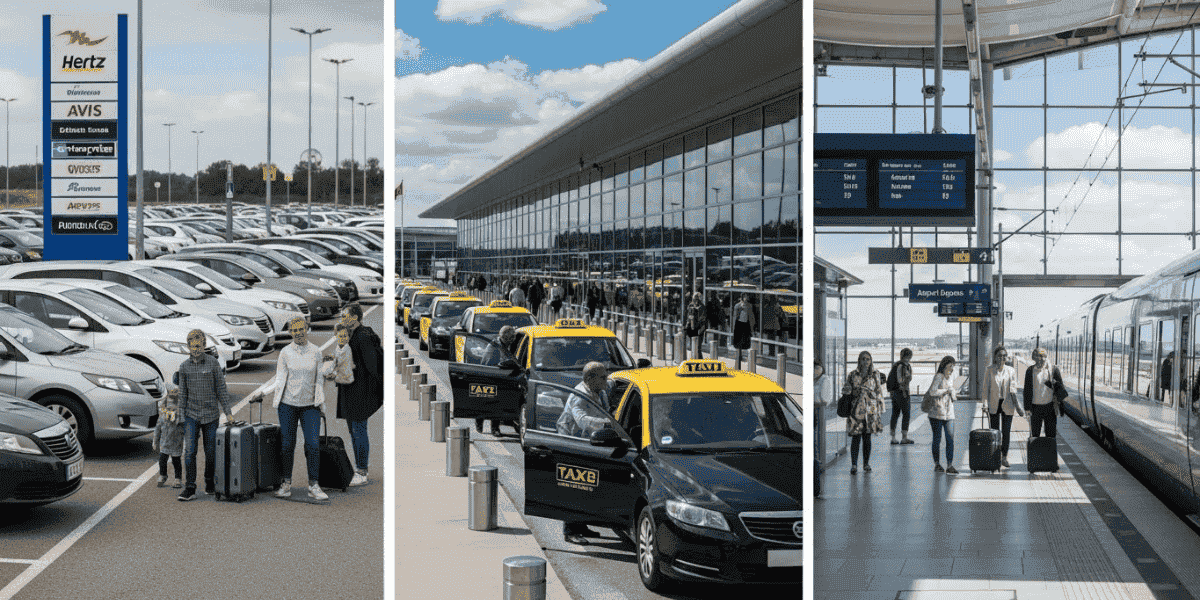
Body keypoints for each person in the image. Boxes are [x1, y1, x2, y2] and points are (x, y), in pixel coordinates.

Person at [556, 362, 613, 545]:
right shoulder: (579, 395)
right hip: (572, 444)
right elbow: (582, 421)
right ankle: (570, 530)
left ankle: (581, 526)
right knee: (574, 488)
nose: (607, 380)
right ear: (589, 378)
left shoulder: (600, 391)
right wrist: (606, 423)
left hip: (587, 443)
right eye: (603, 377)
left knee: (586, 487)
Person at [273, 317, 329, 501]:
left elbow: (319, 380)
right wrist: (267, 395)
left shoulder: (316, 352)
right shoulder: (285, 353)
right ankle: (286, 483)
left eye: (301, 329)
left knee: (313, 445)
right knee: (287, 445)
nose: (298, 333)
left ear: (307, 329)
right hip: (288, 405)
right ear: (290, 332)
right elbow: (279, 380)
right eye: (294, 330)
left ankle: (314, 484)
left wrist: (320, 404)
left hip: (309, 407)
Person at [176, 329, 235, 501]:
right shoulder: (184, 367)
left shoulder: (212, 364)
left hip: (210, 416)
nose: (195, 349)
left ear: (204, 345)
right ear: (188, 347)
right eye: (192, 346)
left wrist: (228, 413)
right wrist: (180, 416)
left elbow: (221, 390)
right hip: (191, 415)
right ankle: (190, 487)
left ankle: (209, 481)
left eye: (199, 346)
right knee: (189, 452)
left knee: (211, 453)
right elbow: (182, 394)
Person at [337, 304, 382, 487]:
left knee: (358, 430)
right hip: (351, 389)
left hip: (360, 391)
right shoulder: (352, 335)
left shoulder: (363, 337)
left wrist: (376, 390)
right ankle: (359, 468)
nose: (342, 318)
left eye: (345, 316)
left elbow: (372, 366)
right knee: (354, 431)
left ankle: (362, 471)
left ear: (355, 318)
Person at [844, 350, 884, 474]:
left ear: (871, 361)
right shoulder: (852, 375)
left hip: (871, 409)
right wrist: (851, 391)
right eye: (863, 359)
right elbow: (845, 390)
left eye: (868, 359)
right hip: (856, 409)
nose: (866, 361)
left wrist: (880, 408)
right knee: (855, 437)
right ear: (859, 361)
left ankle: (866, 464)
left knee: (867, 437)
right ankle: (854, 465)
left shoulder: (875, 374)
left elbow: (879, 392)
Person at [983, 345, 1022, 468]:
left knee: (1006, 432)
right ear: (995, 357)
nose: (1002, 358)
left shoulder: (1011, 370)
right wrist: (984, 405)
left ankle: (1004, 457)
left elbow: (1013, 389)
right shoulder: (989, 370)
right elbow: (985, 390)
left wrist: (1018, 406)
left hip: (1007, 403)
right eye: (1000, 355)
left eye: (1004, 356)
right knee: (995, 432)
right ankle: (995, 457)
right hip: (994, 403)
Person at [477, 325, 520, 436]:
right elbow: (487, 365)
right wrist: (501, 365)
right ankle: (482, 423)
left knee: (497, 403)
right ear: (506, 339)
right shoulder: (493, 347)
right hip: (492, 377)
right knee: (489, 402)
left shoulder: (508, 345)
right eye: (510, 339)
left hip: (503, 377)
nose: (511, 342)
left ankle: (494, 427)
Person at [926, 356, 959, 473]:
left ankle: (950, 465)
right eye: (950, 366)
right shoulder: (939, 377)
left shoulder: (950, 377)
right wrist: (946, 391)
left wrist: (953, 393)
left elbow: (951, 391)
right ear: (944, 366)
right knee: (937, 439)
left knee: (950, 439)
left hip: (949, 413)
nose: (952, 369)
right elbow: (932, 391)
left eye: (953, 366)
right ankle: (937, 464)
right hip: (937, 413)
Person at [1023, 347, 1064, 438]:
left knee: (1051, 435)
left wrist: (1053, 383)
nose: (1042, 359)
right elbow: (1027, 390)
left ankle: (1050, 452)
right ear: (1034, 358)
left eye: (1044, 356)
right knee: (1035, 434)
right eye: (1040, 356)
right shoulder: (1030, 371)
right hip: (1035, 408)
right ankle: (1037, 452)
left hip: (1050, 407)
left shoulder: (1053, 369)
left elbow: (1061, 388)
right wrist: (1027, 408)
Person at [153, 385, 185, 489]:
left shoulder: (181, 413)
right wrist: (155, 441)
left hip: (176, 441)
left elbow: (185, 425)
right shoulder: (162, 413)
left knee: (176, 461)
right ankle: (163, 475)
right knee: (162, 459)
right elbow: (158, 427)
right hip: (164, 441)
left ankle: (178, 478)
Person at [886, 348, 915, 445]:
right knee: (906, 414)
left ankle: (893, 437)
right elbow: (902, 380)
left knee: (895, 414)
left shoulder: (896, 365)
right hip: (902, 392)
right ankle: (904, 437)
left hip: (894, 393)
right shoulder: (904, 366)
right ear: (909, 356)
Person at [732, 294, 756, 364]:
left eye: (747, 296)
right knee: (739, 341)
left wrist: (752, 327)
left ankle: (745, 355)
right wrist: (733, 327)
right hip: (739, 325)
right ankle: (739, 355)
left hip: (746, 325)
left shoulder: (749, 306)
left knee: (745, 340)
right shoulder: (738, 305)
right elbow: (735, 316)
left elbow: (751, 316)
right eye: (744, 296)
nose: (746, 298)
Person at [684, 292, 707, 359]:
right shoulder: (691, 305)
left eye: (696, 300)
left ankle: (699, 362)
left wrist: (701, 330)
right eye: (694, 299)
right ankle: (695, 360)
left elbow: (703, 320)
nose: (695, 301)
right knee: (693, 347)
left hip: (698, 329)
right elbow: (689, 317)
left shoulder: (702, 307)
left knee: (698, 347)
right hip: (692, 328)